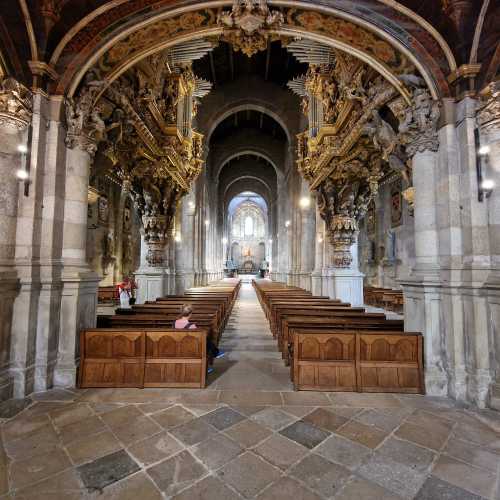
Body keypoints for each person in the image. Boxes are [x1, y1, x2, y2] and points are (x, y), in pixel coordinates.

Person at [174, 305, 225, 374]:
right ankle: (207, 364)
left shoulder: (175, 322)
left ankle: (216, 353)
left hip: (177, 346)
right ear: (190, 314)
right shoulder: (191, 326)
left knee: (207, 341)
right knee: (206, 340)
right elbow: (198, 338)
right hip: (189, 348)